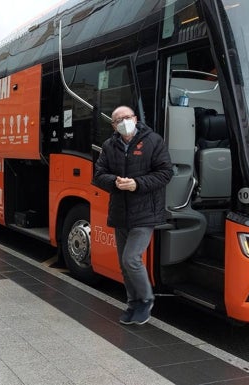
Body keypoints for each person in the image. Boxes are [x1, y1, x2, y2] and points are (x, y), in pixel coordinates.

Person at [93, 106, 173, 325]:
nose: (123, 122)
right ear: (113, 125)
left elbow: (166, 173)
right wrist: (115, 183)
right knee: (123, 263)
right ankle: (132, 303)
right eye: (118, 120)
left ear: (135, 119)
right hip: (120, 213)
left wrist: (137, 184)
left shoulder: (153, 141)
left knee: (131, 258)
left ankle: (146, 299)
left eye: (127, 118)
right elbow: (98, 175)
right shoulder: (109, 146)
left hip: (146, 212)